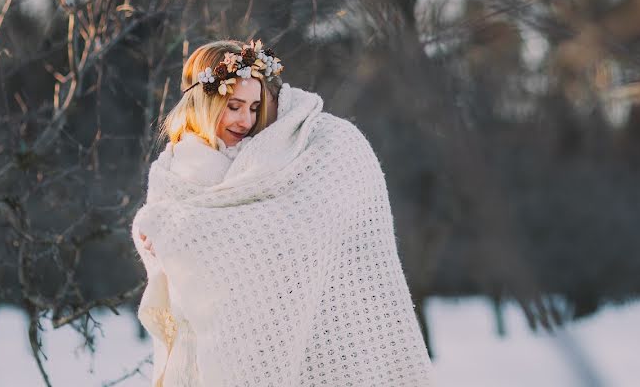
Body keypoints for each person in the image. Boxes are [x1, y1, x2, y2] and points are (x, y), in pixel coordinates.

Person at [132, 39, 434, 387]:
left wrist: (180, 235)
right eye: (234, 106)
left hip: (271, 343)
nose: (245, 119)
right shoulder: (173, 170)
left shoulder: (271, 162)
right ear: (204, 101)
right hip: (198, 352)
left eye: (254, 106)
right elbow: (170, 260)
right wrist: (161, 244)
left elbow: (282, 236)